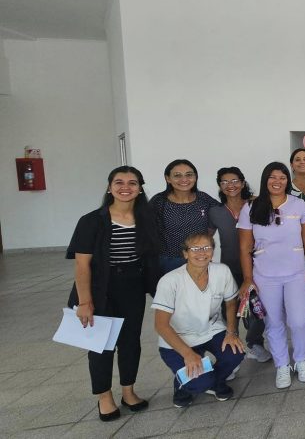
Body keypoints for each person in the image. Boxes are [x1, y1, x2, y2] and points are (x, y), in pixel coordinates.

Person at [68, 166, 158, 421]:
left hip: (132, 286)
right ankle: (104, 397)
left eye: (132, 182)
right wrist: (85, 301)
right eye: (119, 182)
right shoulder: (92, 220)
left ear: (140, 188)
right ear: (109, 187)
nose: (125, 187)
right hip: (100, 287)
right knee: (101, 344)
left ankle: (128, 392)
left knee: (130, 342)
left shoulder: (145, 218)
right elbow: (82, 264)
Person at [237, 162, 305, 389]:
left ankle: (301, 360)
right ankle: (282, 365)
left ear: (287, 181)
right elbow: (244, 247)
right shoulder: (251, 207)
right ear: (265, 180)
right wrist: (248, 277)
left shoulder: (298, 205)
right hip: (265, 275)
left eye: (282, 177)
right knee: (273, 322)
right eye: (273, 177)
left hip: (296, 272)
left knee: (299, 320)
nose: (277, 181)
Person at [152, 232, 244, 407]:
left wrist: (231, 332)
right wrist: (188, 354)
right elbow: (161, 325)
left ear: (212, 251)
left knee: (235, 353)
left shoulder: (221, 271)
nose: (201, 252)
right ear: (185, 253)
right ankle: (183, 385)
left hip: (210, 331)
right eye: (195, 248)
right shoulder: (170, 281)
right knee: (200, 384)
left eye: (206, 248)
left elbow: (231, 302)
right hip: (178, 338)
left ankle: (215, 382)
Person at [208, 167, 269, 363]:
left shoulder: (255, 205)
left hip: (256, 266)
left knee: (257, 307)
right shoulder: (215, 212)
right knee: (230, 307)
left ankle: (254, 343)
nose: (230, 185)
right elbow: (206, 239)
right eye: (224, 182)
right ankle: (231, 346)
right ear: (220, 186)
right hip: (229, 268)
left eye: (234, 181)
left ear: (242, 183)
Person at [150, 159, 219, 273]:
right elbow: (148, 229)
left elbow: (222, 211)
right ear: (168, 178)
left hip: (199, 258)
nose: (184, 179)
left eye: (189, 175)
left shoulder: (203, 198)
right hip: (169, 261)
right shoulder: (159, 201)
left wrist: (206, 237)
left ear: (195, 177)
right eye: (177, 175)